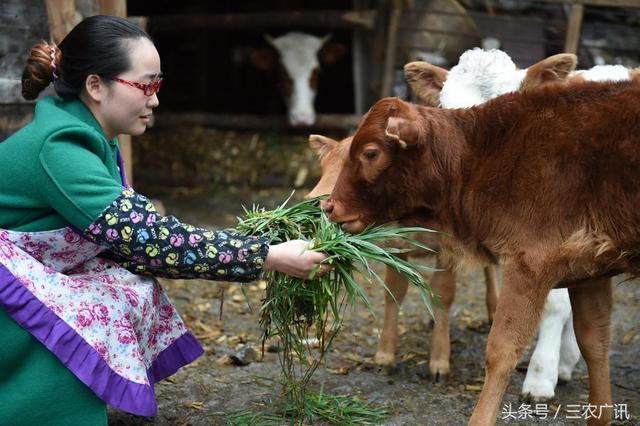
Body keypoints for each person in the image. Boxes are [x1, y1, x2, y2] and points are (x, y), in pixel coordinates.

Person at [0, 15, 328, 425]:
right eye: (146, 85)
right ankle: (35, 409)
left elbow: (137, 244)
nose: (155, 100)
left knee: (127, 285)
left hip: (25, 265)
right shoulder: (60, 148)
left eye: (159, 85)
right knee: (94, 304)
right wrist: (268, 255)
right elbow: (149, 240)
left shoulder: (84, 133)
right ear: (96, 86)